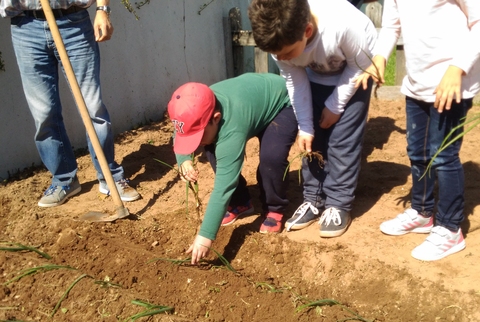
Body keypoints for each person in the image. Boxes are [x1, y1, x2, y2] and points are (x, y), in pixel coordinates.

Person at [355, 0, 480, 261]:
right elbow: (391, 26)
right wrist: (379, 58)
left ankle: (449, 228)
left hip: (451, 83)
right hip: (416, 83)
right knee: (418, 151)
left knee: (443, 155)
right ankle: (423, 212)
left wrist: (457, 68)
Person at [248, 0, 376, 237]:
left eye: (286, 52)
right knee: (313, 142)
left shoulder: (344, 24)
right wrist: (305, 126)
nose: (281, 57)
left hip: (355, 74)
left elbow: (358, 67)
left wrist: (335, 105)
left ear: (307, 31)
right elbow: (294, 80)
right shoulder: (283, 41)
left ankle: (338, 204)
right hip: (316, 74)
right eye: (277, 54)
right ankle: (313, 200)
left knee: (341, 142)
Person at [0, 0, 140, 207]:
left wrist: (102, 10)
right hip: (25, 27)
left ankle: (109, 176)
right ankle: (64, 179)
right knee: (44, 113)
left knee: (93, 107)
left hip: (73, 23)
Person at [168, 73, 298, 265]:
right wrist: (184, 159)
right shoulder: (194, 108)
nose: (197, 142)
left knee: (271, 158)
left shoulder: (231, 127)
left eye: (199, 134)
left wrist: (205, 236)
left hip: (282, 104)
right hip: (251, 106)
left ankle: (274, 208)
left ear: (215, 118)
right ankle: (241, 203)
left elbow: (223, 186)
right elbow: (181, 130)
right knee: (211, 146)